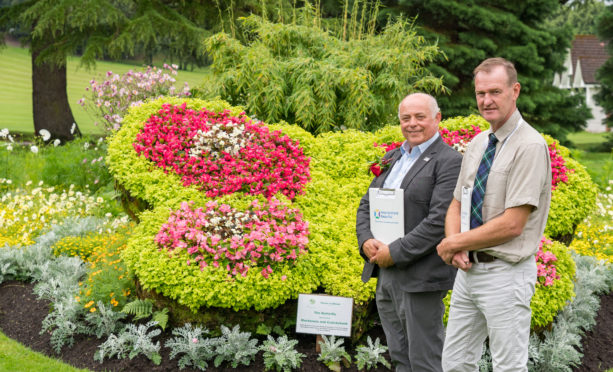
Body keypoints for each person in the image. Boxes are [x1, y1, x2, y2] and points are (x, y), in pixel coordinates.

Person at [437, 58, 552, 371]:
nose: (486, 100)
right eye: (480, 93)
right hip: (468, 272)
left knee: (508, 367)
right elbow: (457, 203)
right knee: (456, 363)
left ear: (515, 91)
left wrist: (453, 243)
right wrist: (455, 243)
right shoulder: (478, 143)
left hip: (506, 274)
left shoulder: (529, 146)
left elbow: (513, 224)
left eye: (495, 92)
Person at [356, 93, 462, 372]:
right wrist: (366, 240)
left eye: (420, 117)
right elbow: (367, 203)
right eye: (406, 118)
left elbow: (439, 220)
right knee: (399, 357)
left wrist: (396, 252)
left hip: (420, 275)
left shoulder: (449, 161)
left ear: (437, 119)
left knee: (424, 360)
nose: (412, 124)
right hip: (385, 272)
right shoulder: (391, 157)